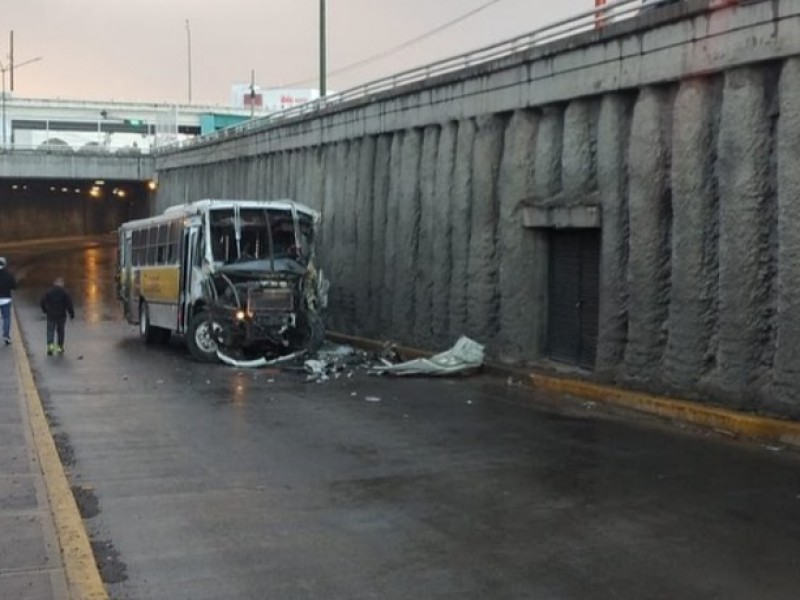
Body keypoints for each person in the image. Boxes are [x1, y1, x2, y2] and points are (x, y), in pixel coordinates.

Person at [40, 277, 75, 356]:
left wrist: (45, 310)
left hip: (51, 315)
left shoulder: (48, 292)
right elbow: (69, 304)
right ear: (62, 284)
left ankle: (50, 348)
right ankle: (59, 347)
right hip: (61, 315)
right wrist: (71, 314)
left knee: (50, 331)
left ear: (54, 283)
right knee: (60, 332)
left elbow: (42, 301)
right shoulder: (65, 293)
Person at [0, 257, 17, 345]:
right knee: (6, 318)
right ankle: (6, 336)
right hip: (6, 299)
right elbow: (14, 287)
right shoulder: (9, 275)